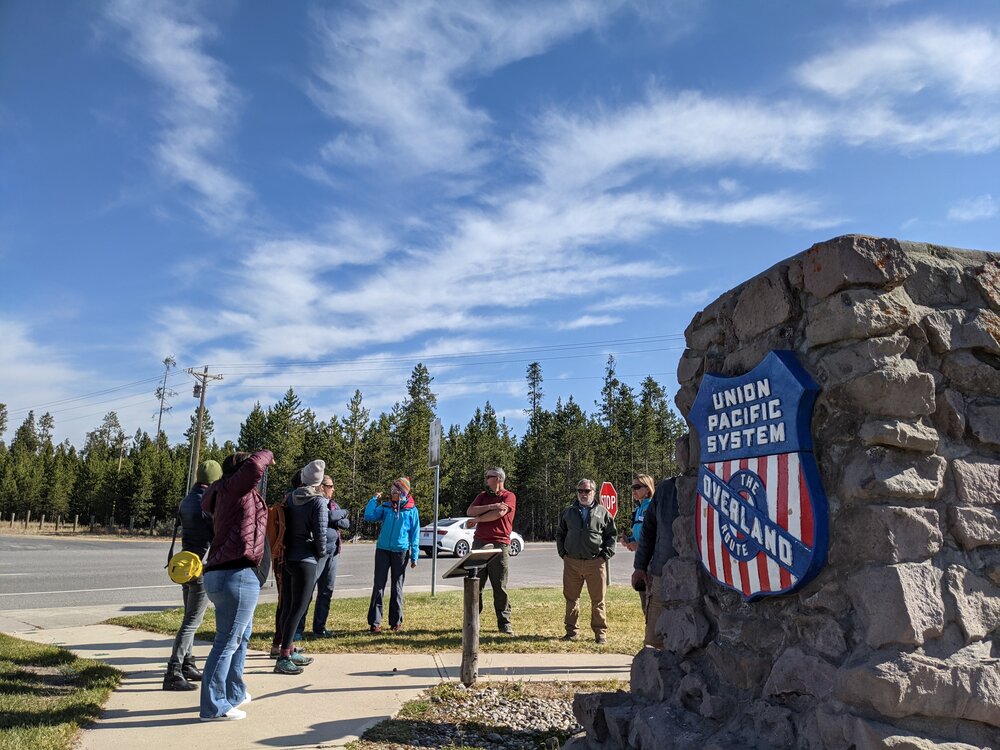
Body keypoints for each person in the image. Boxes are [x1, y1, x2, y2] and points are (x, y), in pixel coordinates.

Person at [198, 449, 272, 721]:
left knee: (239, 637)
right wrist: (267, 453)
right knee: (227, 642)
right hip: (236, 574)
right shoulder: (234, 489)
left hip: (225, 574)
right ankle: (213, 706)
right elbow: (254, 467)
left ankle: (234, 692)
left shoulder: (228, 494)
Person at [162, 459, 222, 691]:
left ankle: (188, 662)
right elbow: (216, 533)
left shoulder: (187, 500)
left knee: (189, 616)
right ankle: (173, 670)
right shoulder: (207, 504)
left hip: (186, 563)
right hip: (201, 566)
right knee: (191, 622)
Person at [274, 459, 327, 675]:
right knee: (300, 607)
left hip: (288, 556)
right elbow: (321, 534)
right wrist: (320, 552)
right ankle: (284, 655)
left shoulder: (291, 498)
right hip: (306, 558)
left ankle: (289, 648)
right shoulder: (318, 502)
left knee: (288, 605)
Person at [556, 478, 616, 644]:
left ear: (594, 492)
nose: (583, 494)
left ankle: (600, 633)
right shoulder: (568, 512)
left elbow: (611, 536)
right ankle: (571, 632)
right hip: (572, 563)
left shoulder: (603, 513)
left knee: (598, 600)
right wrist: (563, 553)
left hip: (595, 563)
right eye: (580, 491)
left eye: (586, 491)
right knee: (571, 599)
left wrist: (605, 555)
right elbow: (560, 533)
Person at [364, 477, 420, 633]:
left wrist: (414, 555)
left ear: (402, 493)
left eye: (395, 490)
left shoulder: (411, 510)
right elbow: (369, 516)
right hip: (382, 550)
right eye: (391, 490)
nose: (391, 492)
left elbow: (414, 535)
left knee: (397, 587)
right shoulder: (386, 507)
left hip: (401, 552)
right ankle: (375, 623)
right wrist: (373, 500)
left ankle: (396, 622)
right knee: (379, 585)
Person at [298, 474, 350, 637]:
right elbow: (330, 517)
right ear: (321, 487)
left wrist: (338, 516)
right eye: (330, 486)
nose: (333, 489)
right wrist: (338, 516)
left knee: (326, 590)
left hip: (333, 552)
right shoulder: (314, 502)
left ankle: (319, 628)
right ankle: (298, 629)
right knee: (307, 591)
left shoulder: (333, 505)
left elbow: (346, 523)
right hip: (317, 552)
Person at [466, 467, 516, 635]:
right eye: (486, 476)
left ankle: (504, 623)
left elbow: (498, 514)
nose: (486, 479)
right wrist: (492, 505)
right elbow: (470, 511)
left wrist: (478, 519)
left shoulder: (509, 496)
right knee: (475, 584)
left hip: (499, 544)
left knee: (499, 586)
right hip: (479, 543)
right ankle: (472, 622)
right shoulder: (482, 496)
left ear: (498, 479)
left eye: (489, 477)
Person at [631, 476, 679, 650]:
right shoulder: (666, 489)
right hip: (661, 571)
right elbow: (648, 530)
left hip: (704, 577)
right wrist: (640, 566)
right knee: (654, 640)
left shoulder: (713, 481)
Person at [267, 470, 301, 658]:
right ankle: (280, 644)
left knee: (286, 602)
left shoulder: (288, 499)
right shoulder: (294, 502)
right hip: (286, 556)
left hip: (281, 556)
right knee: (286, 602)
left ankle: (282, 642)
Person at [622, 474, 655, 614]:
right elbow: (639, 532)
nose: (633, 491)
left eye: (637, 487)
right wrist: (629, 540)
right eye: (632, 487)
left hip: (652, 558)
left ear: (647, 489)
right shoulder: (639, 508)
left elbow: (655, 534)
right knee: (643, 595)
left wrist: (639, 544)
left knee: (651, 598)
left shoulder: (652, 507)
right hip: (641, 557)